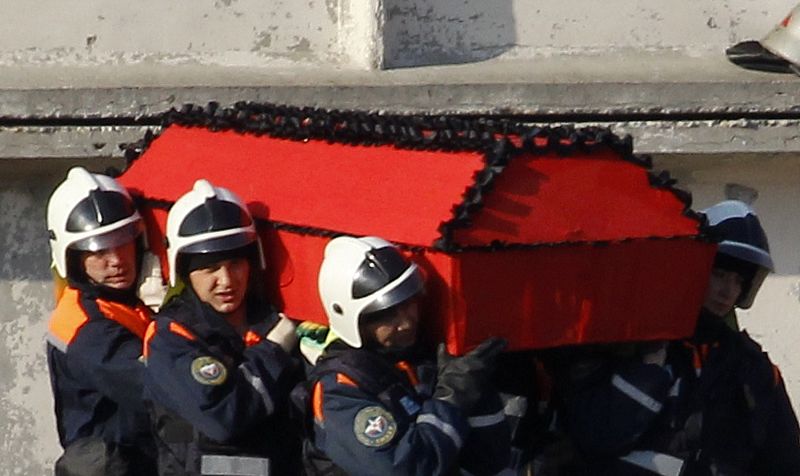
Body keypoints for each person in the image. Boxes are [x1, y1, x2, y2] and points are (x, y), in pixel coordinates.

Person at [558, 200, 800, 475]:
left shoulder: (755, 369)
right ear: (694, 270)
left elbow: (785, 462)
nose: (727, 291)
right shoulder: (632, 342)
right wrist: (647, 370)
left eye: (738, 281)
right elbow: (592, 437)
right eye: (719, 275)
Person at [299, 235, 511, 476]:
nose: (406, 322)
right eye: (387, 314)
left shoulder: (421, 360)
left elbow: (490, 458)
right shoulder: (340, 391)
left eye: (408, 302)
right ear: (352, 319)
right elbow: (405, 469)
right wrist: (452, 397)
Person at [142, 179, 302, 476]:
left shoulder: (274, 322)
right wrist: (276, 350)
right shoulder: (171, 338)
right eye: (210, 269)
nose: (227, 280)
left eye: (235, 264)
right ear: (186, 273)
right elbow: (224, 417)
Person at [46, 166, 157, 475]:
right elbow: (158, 385)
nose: (117, 260)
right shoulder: (84, 324)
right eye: (98, 250)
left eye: (123, 242)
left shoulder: (121, 304)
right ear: (73, 257)